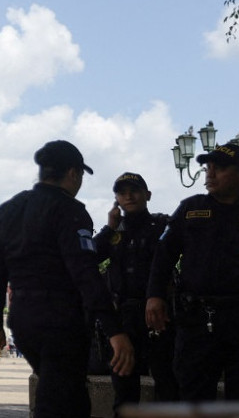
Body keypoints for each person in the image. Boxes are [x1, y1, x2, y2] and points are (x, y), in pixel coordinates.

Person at [0, 140, 134, 417]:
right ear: (73, 173)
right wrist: (114, 330)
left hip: (23, 320)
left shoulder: (10, 209)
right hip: (61, 322)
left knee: (66, 396)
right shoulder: (70, 210)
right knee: (59, 402)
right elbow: (85, 272)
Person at [145, 142, 239, 400]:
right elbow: (163, 256)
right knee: (193, 397)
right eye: (208, 167)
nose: (209, 174)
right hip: (197, 323)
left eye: (219, 168)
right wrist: (154, 295)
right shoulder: (190, 209)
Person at [92, 172, 177, 413]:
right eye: (122, 192)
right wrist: (109, 227)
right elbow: (91, 258)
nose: (128, 196)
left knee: (167, 382)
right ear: (116, 199)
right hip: (124, 317)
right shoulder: (114, 232)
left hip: (158, 316)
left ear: (147, 195)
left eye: (134, 191)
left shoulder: (162, 225)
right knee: (124, 387)